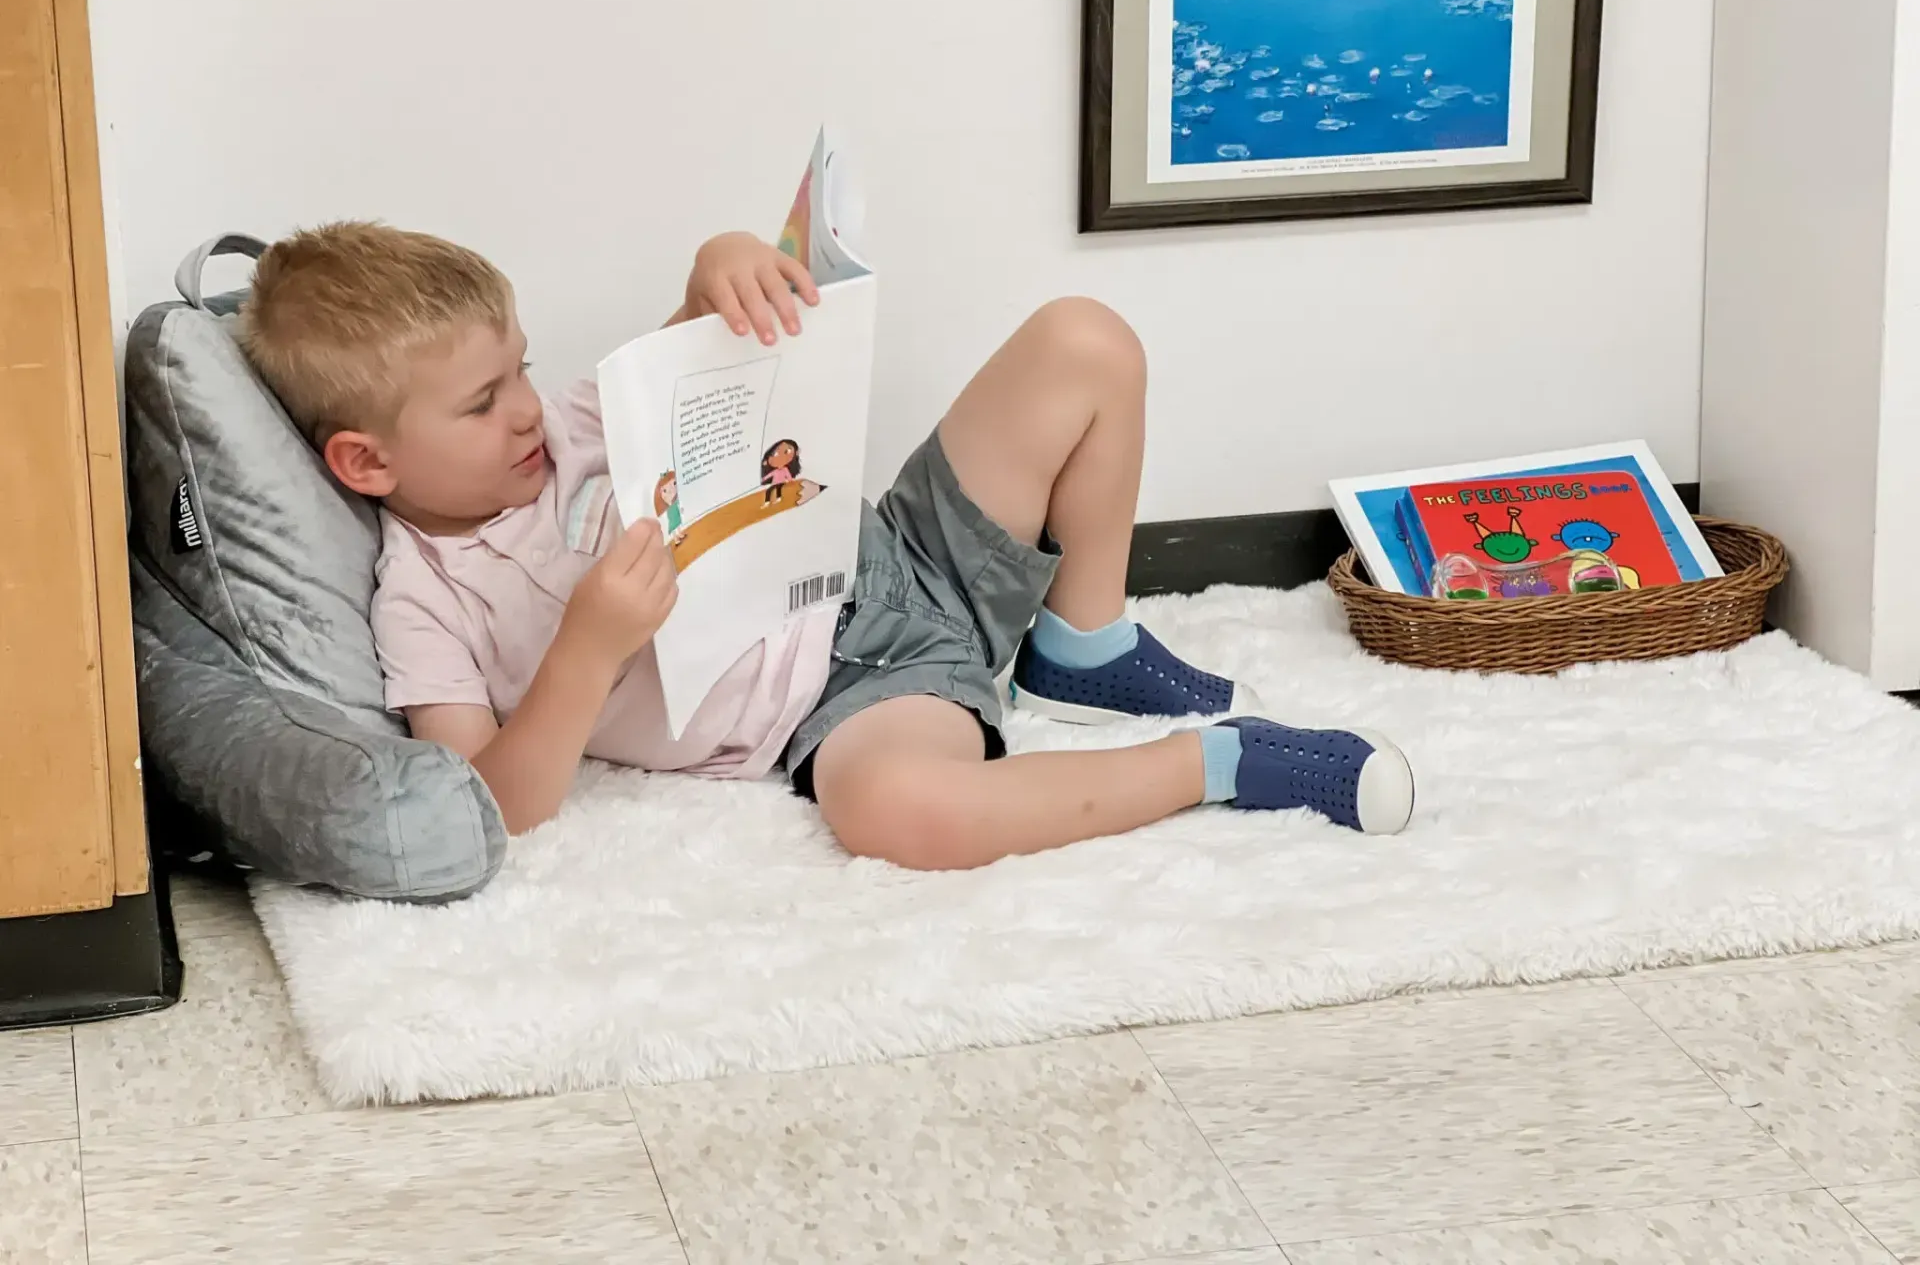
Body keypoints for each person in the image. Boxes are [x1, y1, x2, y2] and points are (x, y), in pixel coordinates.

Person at [239, 222, 1415, 868]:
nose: (523, 411)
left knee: (1085, 339)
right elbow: (496, 804)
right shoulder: (423, 604)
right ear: (365, 465)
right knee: (904, 816)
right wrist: (589, 652)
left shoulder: (572, 423)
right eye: (480, 401)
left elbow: (698, 347)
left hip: (885, 549)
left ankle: (1085, 641)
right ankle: (1222, 763)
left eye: (521, 371)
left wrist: (720, 263)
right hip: (850, 689)